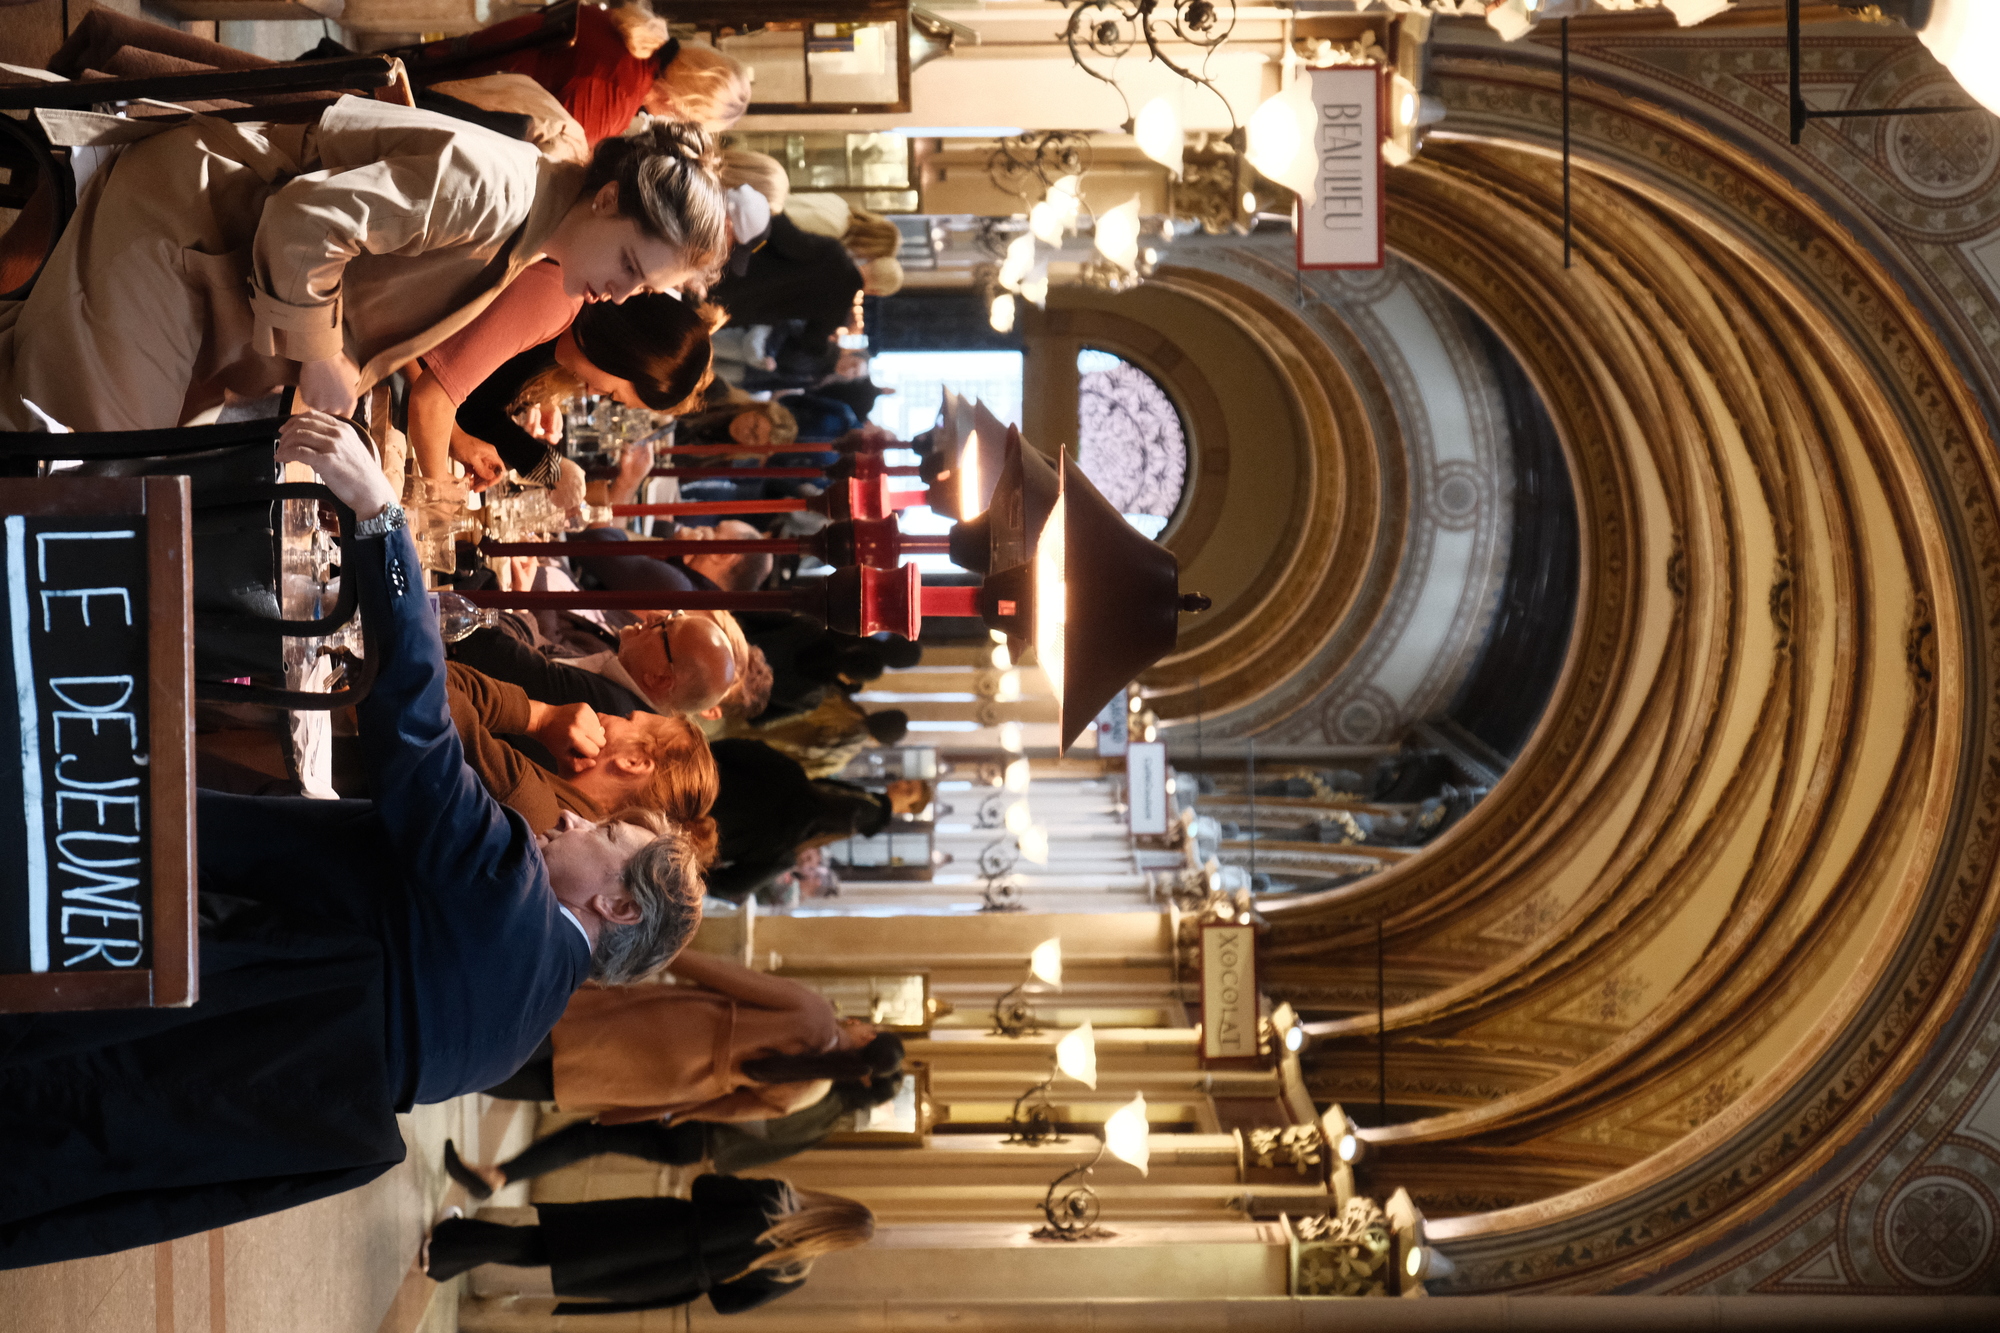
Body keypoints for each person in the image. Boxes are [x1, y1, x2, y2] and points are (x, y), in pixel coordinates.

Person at [0, 414, 706, 1269]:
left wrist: (381, 522)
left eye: (604, 833)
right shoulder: (524, 1025)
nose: (571, 819)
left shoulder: (509, 895)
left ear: (618, 901)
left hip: (145, 992)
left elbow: (416, 732)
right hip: (180, 1106)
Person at [0, 108, 729, 432]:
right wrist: (320, 357)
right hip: (181, 230)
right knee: (100, 487)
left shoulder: (534, 225)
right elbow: (302, 220)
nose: (622, 293)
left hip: (219, 273)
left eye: (645, 286)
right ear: (606, 198)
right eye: (631, 264)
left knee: (155, 484)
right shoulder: (497, 190)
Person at [487, 950, 906, 1124]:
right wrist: (679, 1111)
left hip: (669, 1029)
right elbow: (724, 1111)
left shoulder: (816, 1013)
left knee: (525, 1029)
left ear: (867, 1035)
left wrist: (670, 949)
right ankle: (440, 1078)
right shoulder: (809, 1093)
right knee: (528, 1080)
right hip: (673, 1081)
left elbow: (732, 979)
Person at [416, 279, 721, 498]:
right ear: (618, 353)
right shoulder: (557, 305)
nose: (595, 394)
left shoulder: (563, 330)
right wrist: (437, 493)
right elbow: (433, 397)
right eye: (612, 394)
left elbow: (467, 402)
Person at [422, 1175, 873, 1315]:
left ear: (834, 1205)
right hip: (667, 1278)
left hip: (658, 1227)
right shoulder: (792, 1271)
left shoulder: (776, 1199)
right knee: (559, 1261)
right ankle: (449, 1249)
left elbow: (705, 1187)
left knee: (553, 1240)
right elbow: (727, 1303)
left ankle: (450, 1246)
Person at [441, 1076, 901, 1199]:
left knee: (593, 1132)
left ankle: (499, 1173)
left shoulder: (821, 1097)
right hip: (698, 1146)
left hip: (697, 1124)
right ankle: (498, 1175)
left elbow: (756, 1118)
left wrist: (691, 1108)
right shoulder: (831, 1124)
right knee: (592, 1136)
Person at [445, 665, 719, 852]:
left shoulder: (528, 800)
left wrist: (540, 718)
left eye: (627, 719)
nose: (605, 714)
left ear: (634, 763)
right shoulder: (565, 829)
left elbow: (430, 681)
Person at [430, 1, 752, 142]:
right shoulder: (617, 99)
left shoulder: (629, 29)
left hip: (441, 60)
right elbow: (537, 151)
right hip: (431, 100)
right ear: (680, 105)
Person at [708, 740, 933, 901]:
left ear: (908, 809)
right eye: (907, 782)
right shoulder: (866, 804)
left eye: (909, 790)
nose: (902, 784)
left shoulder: (865, 811)